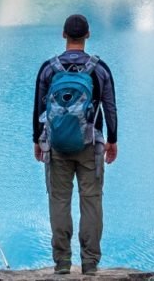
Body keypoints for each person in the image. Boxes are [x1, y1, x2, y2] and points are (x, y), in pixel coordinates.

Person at [33, 14, 118, 276]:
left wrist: (37, 140)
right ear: (88, 35)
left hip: (56, 145)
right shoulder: (99, 69)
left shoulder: (49, 68)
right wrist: (112, 140)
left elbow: (38, 107)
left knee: (59, 201)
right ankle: (90, 265)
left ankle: (62, 264)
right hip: (91, 145)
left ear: (63, 34)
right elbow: (110, 106)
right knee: (91, 202)